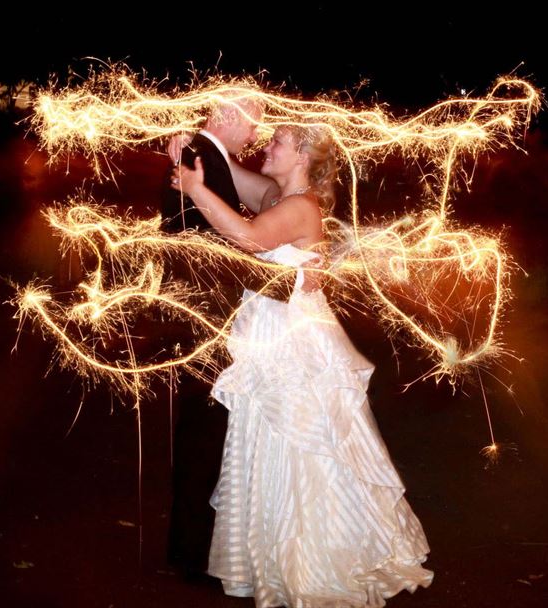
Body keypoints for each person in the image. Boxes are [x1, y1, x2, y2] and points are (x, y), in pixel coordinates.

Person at [170, 124, 433, 606]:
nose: (266, 146)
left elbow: (250, 237)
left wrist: (195, 189)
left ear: (303, 157)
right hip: (272, 331)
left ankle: (311, 557)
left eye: (278, 143)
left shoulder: (300, 207)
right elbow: (229, 168)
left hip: (289, 341)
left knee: (296, 443)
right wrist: (195, 141)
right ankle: (269, 552)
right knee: (268, 442)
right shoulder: (277, 193)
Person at [162, 92, 263, 583]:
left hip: (206, 317)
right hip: (209, 321)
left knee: (207, 432)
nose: (257, 133)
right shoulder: (198, 157)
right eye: (253, 121)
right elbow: (217, 246)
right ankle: (192, 553)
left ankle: (193, 548)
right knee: (204, 433)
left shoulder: (199, 155)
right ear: (227, 115)